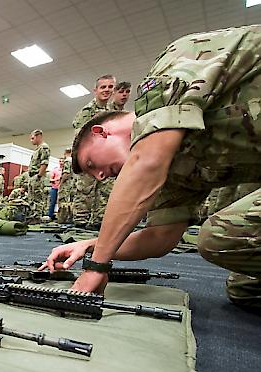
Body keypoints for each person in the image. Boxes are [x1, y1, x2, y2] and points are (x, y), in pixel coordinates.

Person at [44, 25, 261, 308]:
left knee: (222, 236)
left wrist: (98, 265)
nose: (99, 176)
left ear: (101, 132)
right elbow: (161, 237)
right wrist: (93, 244)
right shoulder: (173, 169)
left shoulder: (170, 66)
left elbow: (146, 161)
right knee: (245, 288)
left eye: (90, 163)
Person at [72, 75, 116, 229]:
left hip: (106, 158)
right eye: (103, 87)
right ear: (95, 90)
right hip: (89, 156)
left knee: (105, 190)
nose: (107, 90)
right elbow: (80, 135)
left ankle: (98, 222)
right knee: (85, 190)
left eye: (110, 87)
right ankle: (80, 222)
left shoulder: (112, 111)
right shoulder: (87, 111)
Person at [27, 129, 50, 217]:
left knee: (37, 198)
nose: (31, 140)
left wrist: (39, 176)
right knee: (32, 198)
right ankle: (33, 216)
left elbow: (44, 163)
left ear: (39, 136)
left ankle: (37, 217)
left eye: (32, 138)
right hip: (32, 176)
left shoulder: (44, 147)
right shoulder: (38, 149)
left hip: (37, 176)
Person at [56, 148, 74, 224]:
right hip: (72, 183)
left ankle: (62, 219)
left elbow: (66, 173)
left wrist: (61, 183)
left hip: (66, 184)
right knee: (70, 202)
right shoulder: (74, 160)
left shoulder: (67, 160)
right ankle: (69, 218)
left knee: (63, 202)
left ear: (65, 152)